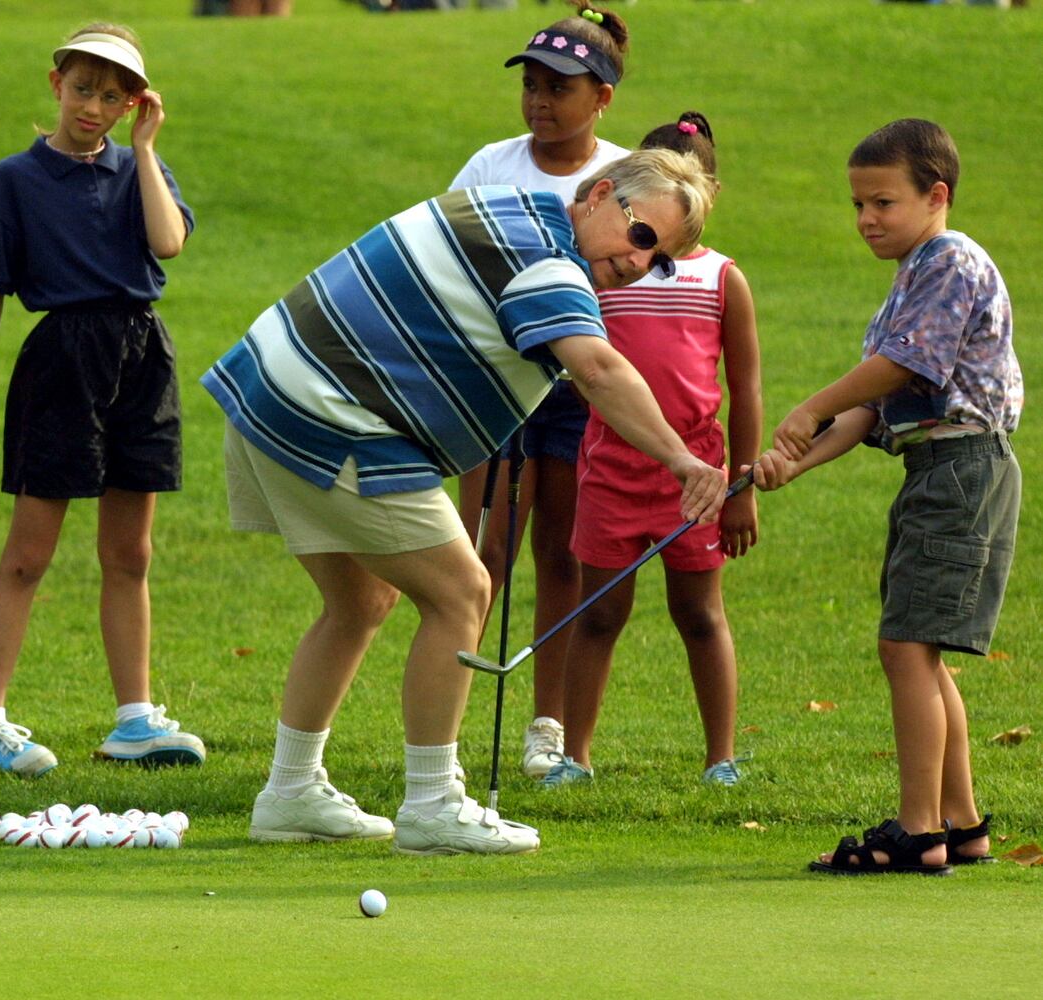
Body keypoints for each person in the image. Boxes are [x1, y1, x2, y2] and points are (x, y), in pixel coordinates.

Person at [202, 148, 727, 855]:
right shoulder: (553, 263)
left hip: (268, 387)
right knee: (461, 592)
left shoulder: (508, 208)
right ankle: (431, 804)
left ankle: (289, 793)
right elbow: (599, 369)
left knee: (361, 602)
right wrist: (681, 459)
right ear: (601, 195)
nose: (638, 264)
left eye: (658, 258)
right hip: (332, 413)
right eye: (639, 235)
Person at [751, 118, 1021, 874]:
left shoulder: (950, 262)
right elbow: (871, 410)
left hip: (962, 469)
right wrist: (792, 461)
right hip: (936, 468)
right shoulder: (914, 272)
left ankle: (916, 831)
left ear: (936, 196)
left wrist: (807, 407)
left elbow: (901, 366)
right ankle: (960, 825)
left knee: (905, 647)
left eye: (882, 202)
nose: (867, 219)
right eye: (857, 205)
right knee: (921, 652)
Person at [0, 23, 201, 777]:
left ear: (134, 104)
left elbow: (168, 244)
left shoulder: (140, 170)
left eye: (114, 96)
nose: (95, 106)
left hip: (143, 357)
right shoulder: (15, 180)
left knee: (131, 551)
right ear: (56, 83)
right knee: (30, 553)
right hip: (62, 358)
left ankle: (134, 718)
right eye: (84, 88)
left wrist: (149, 151)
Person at [543, 112, 762, 788]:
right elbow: (592, 371)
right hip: (609, 471)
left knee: (699, 614)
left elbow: (745, 387)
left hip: (696, 481)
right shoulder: (604, 269)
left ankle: (720, 757)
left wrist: (740, 487)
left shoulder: (723, 278)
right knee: (600, 611)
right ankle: (574, 757)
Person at [449, 1, 632, 781]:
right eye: (531, 84)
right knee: (479, 551)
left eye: (560, 87)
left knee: (560, 553)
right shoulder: (491, 165)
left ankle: (546, 724)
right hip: (494, 379)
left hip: (577, 387)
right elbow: (451, 255)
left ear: (602, 98)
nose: (540, 102)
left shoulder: (625, 177)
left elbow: (641, 279)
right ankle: (448, 720)